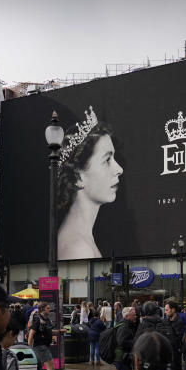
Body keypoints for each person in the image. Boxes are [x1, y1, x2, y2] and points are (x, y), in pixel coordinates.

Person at [57, 107, 123, 260]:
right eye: (107, 160)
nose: (119, 169)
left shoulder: (82, 238)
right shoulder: (78, 249)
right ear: (78, 177)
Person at [28, 302, 61, 370]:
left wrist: (59, 331)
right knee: (50, 366)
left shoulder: (46, 320)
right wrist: (29, 348)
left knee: (38, 367)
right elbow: (31, 334)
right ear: (42, 309)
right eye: (47, 308)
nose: (49, 310)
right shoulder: (38, 320)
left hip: (43, 346)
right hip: (40, 346)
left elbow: (49, 331)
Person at [113, 306, 138, 370]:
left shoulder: (127, 325)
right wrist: (135, 342)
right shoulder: (124, 327)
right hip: (122, 358)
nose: (135, 316)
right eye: (133, 315)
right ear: (127, 316)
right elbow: (121, 342)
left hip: (123, 357)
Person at [164, 301, 186, 370]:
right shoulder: (165, 321)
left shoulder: (179, 322)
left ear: (173, 310)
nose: (165, 312)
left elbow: (179, 341)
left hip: (175, 356)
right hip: (166, 355)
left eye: (167, 310)